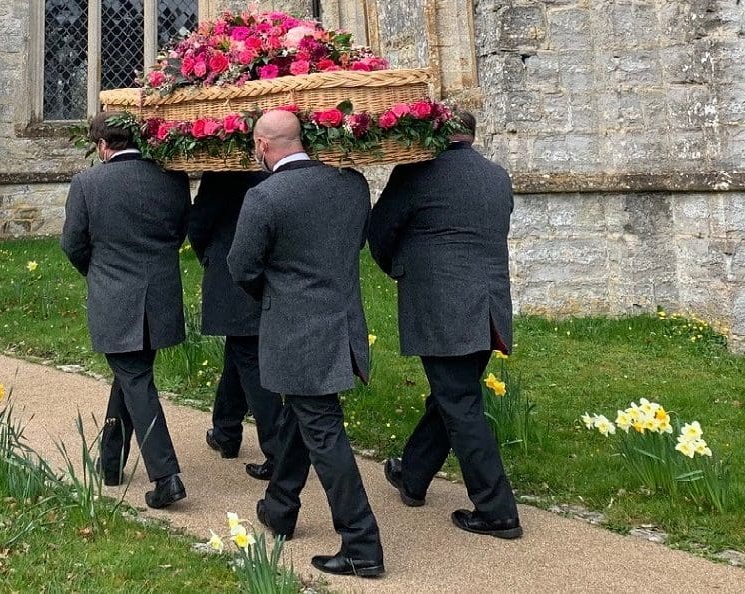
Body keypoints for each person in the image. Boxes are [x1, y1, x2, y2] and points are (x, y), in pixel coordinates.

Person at [228, 110, 384, 578]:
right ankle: (280, 506)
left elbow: (242, 267)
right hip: (341, 322)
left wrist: (279, 298)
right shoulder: (353, 185)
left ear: (261, 145)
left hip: (298, 333)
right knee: (304, 412)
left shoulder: (265, 197)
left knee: (323, 431)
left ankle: (362, 545)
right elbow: (355, 242)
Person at [367, 111, 523, 540]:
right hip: (489, 307)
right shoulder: (496, 175)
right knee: (452, 397)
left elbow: (379, 232)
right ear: (473, 135)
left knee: (460, 405)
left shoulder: (416, 172)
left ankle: (497, 511)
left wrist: (399, 268)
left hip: (441, 306)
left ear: (432, 130)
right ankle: (412, 476)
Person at [61, 112, 190, 510]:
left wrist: (98, 272)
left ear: (102, 146)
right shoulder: (172, 177)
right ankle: (111, 461)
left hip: (116, 297)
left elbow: (72, 242)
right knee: (131, 374)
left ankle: (166, 476)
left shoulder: (87, 182)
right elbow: (179, 229)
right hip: (160, 294)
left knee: (134, 378)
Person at [189, 171, 283, 481]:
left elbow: (199, 224)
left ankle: (278, 450)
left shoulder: (223, 175)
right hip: (268, 270)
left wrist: (211, 258)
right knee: (240, 351)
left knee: (250, 360)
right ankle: (226, 432)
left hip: (233, 273)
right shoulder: (273, 170)